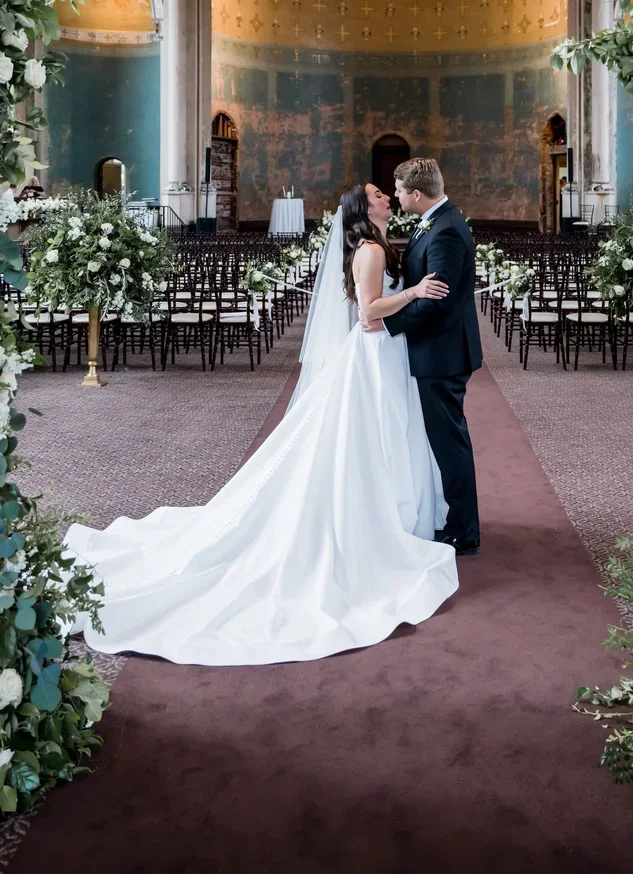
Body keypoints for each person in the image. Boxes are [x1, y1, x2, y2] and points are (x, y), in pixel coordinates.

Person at [63, 182, 458, 665]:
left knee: (375, 440)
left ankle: (387, 508)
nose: (386, 197)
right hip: (374, 353)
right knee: (370, 438)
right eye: (379, 193)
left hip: (381, 356)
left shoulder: (375, 244)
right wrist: (416, 290)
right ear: (363, 208)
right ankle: (375, 518)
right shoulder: (372, 250)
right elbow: (371, 314)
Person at [369, 158, 482, 555]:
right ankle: (456, 519)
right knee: (445, 438)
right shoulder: (437, 220)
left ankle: (463, 530)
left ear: (416, 194)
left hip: (443, 352)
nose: (396, 197)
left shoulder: (447, 230)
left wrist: (389, 324)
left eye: (398, 191)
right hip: (437, 348)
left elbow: (437, 301)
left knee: (450, 441)